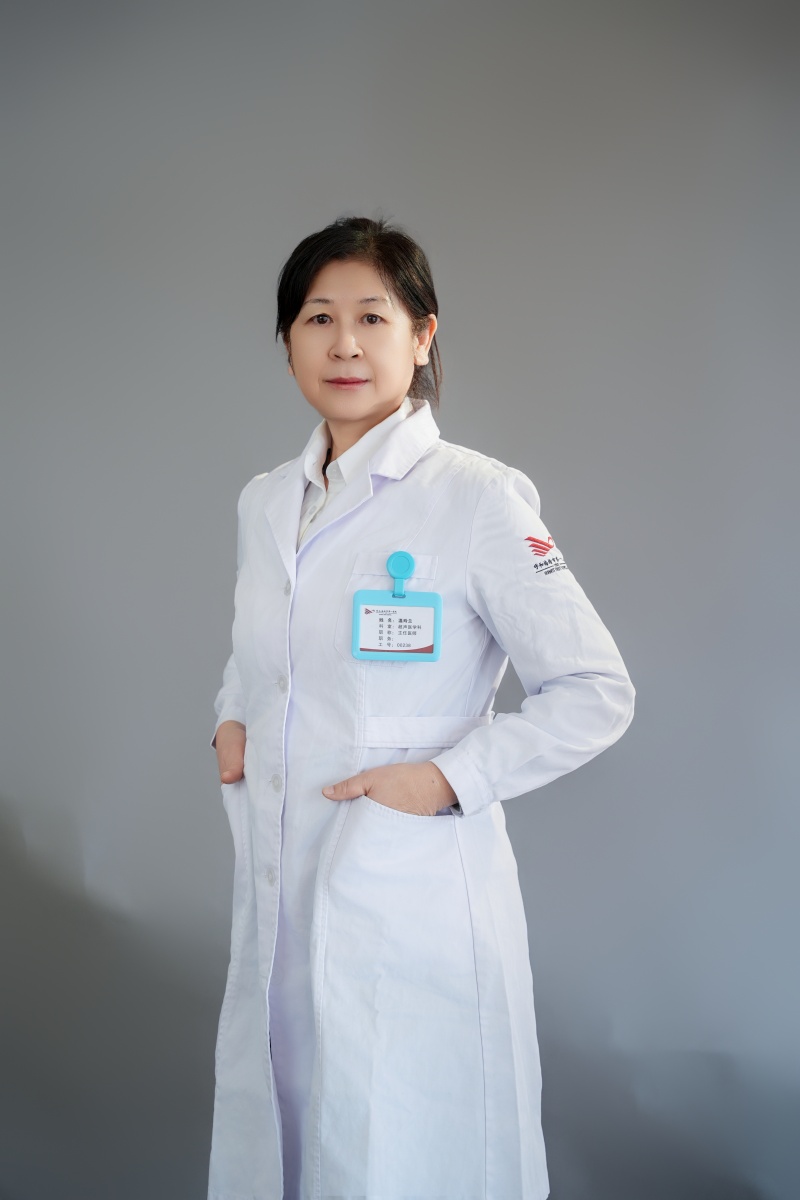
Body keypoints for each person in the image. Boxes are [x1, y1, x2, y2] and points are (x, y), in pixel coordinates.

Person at [208, 214, 635, 1200]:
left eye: (372, 317)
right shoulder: (265, 502)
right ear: (288, 341)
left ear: (422, 336)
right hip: (282, 885)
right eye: (318, 318)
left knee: (400, 1150)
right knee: (286, 1132)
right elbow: (262, 653)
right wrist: (231, 716)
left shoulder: (475, 499)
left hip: (407, 894)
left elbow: (594, 691)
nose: (344, 345)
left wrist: (446, 778)